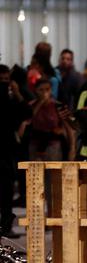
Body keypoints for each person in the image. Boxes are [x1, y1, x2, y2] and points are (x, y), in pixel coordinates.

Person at [0, 65, 31, 238]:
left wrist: (17, 93)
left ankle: (5, 225)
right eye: (1, 80)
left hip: (7, 152)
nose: (4, 84)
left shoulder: (12, 99)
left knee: (6, 190)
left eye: (6, 80)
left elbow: (26, 112)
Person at [25, 78, 75, 161]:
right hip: (35, 144)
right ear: (36, 91)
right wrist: (40, 103)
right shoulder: (31, 105)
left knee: (53, 171)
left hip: (53, 145)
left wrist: (72, 148)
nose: (45, 92)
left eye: (47, 89)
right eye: (41, 90)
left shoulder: (57, 105)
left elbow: (69, 128)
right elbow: (29, 119)